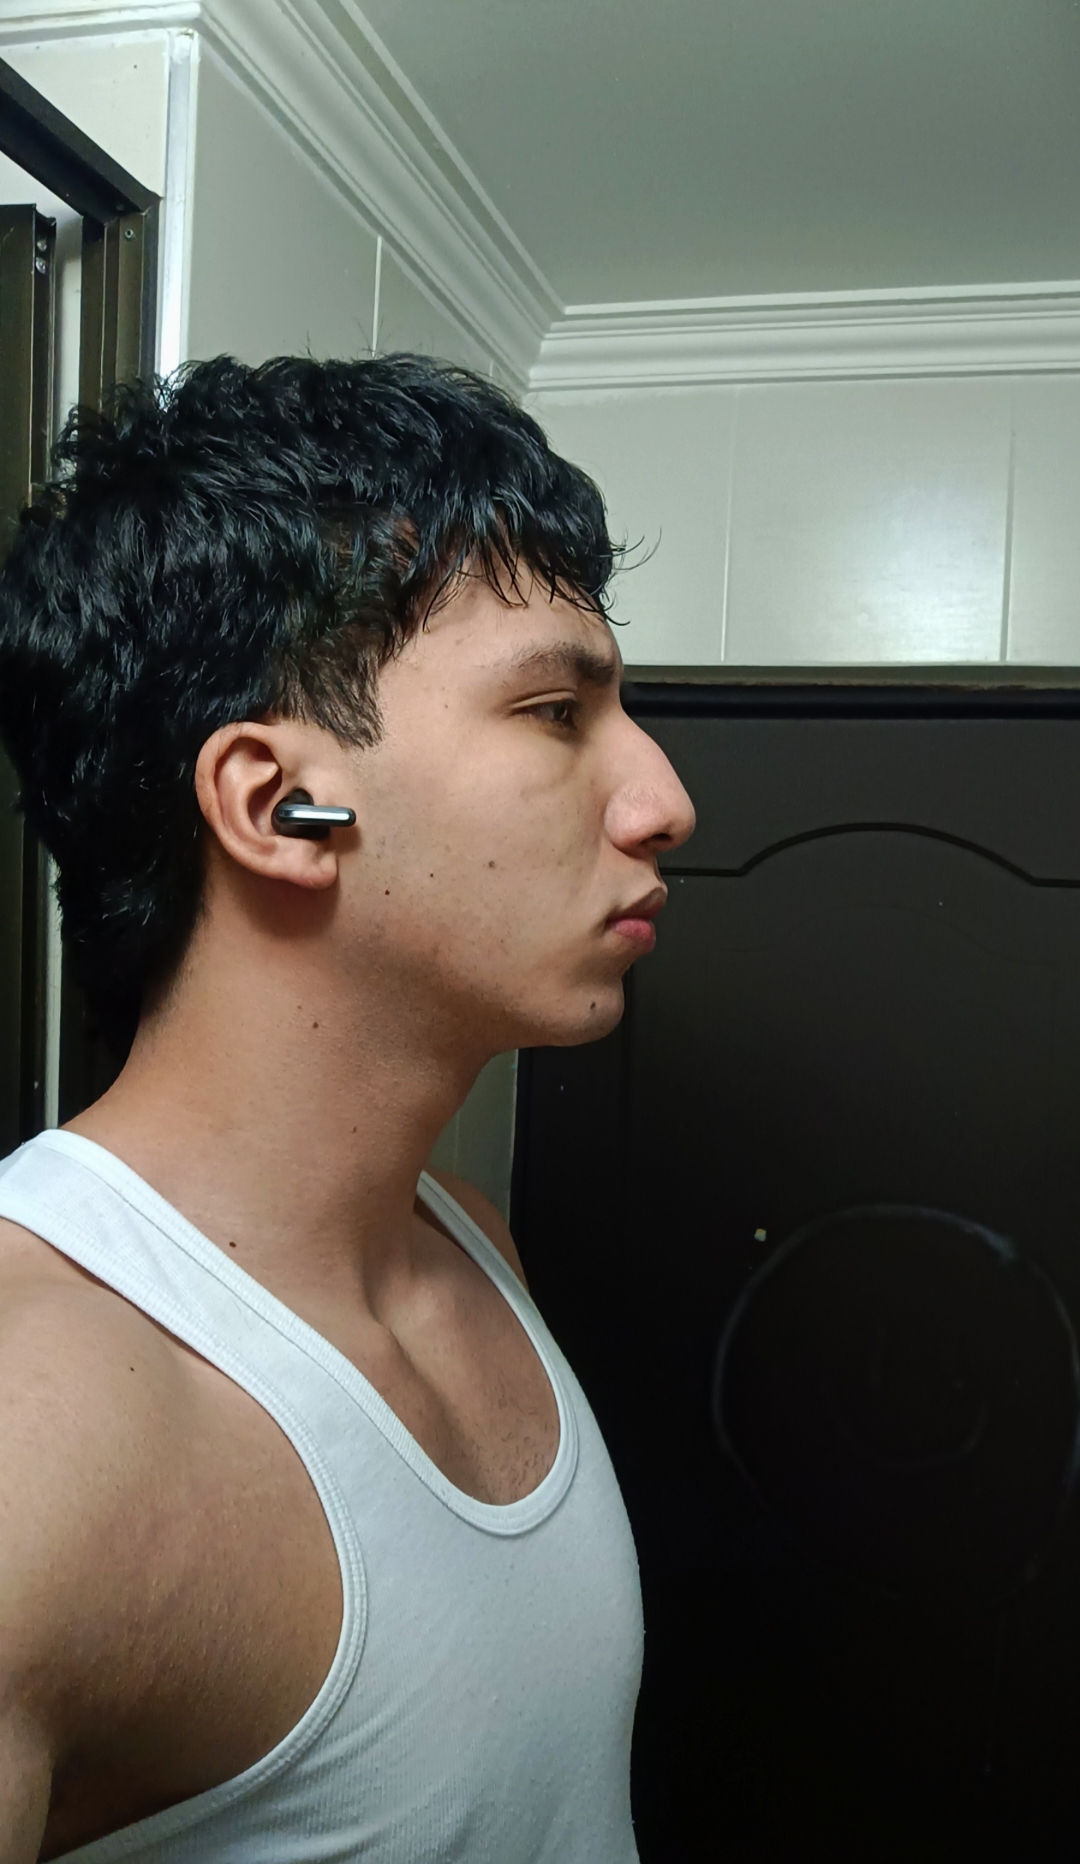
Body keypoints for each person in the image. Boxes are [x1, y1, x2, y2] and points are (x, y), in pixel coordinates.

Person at [0, 354, 695, 1862]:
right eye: (555, 709)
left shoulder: (475, 1250)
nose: (662, 802)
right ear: (279, 808)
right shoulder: (34, 1424)